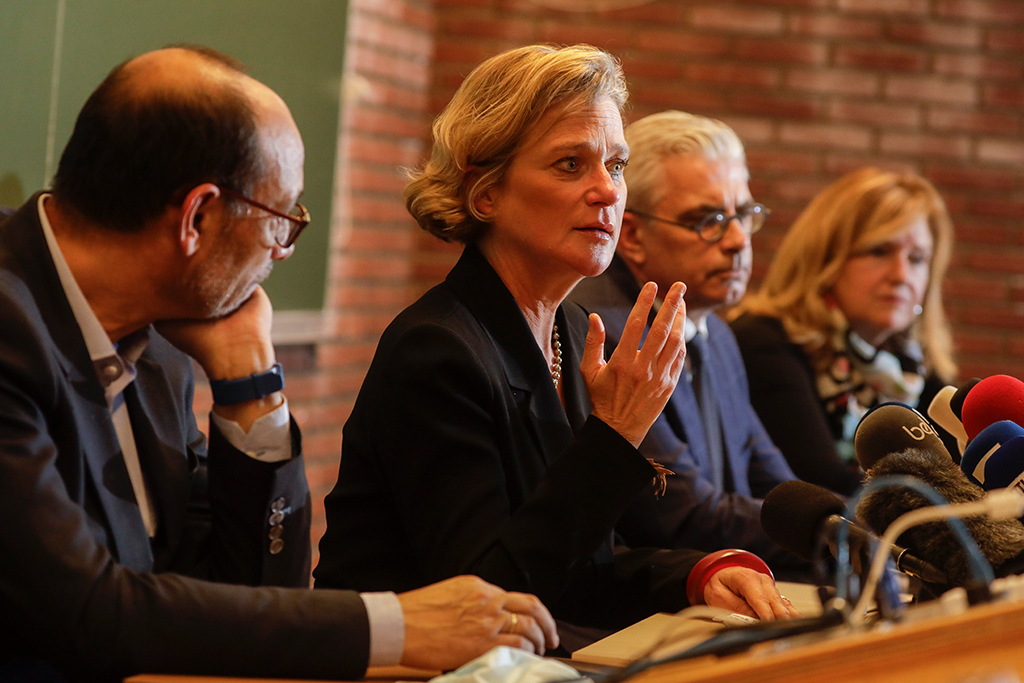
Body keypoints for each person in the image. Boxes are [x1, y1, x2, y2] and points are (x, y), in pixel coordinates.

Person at [0, 46, 558, 682]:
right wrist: (395, 626)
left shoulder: (158, 348)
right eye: (282, 219)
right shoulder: (11, 330)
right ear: (198, 217)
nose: (283, 251)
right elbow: (88, 612)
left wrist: (252, 382)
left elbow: (248, 588)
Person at [314, 44, 797, 645]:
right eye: (571, 165)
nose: (607, 192)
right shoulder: (436, 350)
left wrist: (697, 573)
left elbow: (579, 563)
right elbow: (490, 596)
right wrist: (615, 433)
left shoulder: (567, 327)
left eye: (615, 165)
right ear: (485, 190)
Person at [569, 111, 808, 580]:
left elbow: (775, 484)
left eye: (743, 215)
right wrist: (848, 531)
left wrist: (854, 524)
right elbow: (686, 517)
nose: (738, 240)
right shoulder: (604, 332)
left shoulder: (717, 332)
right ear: (632, 234)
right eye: (709, 220)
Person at [730, 167, 957, 496]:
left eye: (917, 259)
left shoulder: (914, 370)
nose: (901, 275)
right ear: (825, 258)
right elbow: (822, 482)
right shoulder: (765, 342)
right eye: (879, 251)